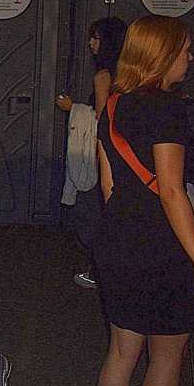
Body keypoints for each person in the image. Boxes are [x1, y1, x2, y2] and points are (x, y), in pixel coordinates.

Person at [90, 15, 194, 386]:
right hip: (163, 245)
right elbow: (171, 190)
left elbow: (108, 185)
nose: (191, 56)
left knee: (121, 351)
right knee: (166, 359)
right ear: (163, 55)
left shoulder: (113, 106)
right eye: (184, 49)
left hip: (117, 237)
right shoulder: (167, 109)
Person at [56, 16, 127, 289]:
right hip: (122, 155)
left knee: (89, 215)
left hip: (99, 156)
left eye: (96, 38)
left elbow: (101, 118)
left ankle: (101, 270)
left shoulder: (103, 76)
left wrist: (71, 107)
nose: (90, 43)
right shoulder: (128, 73)